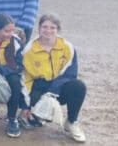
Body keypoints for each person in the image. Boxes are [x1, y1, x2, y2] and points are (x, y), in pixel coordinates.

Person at [19, 14, 87, 143]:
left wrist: (52, 93)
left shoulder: (67, 47)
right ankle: (37, 115)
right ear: (38, 28)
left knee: (78, 86)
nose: (48, 31)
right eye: (44, 27)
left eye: (52, 27)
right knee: (32, 100)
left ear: (58, 29)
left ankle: (71, 122)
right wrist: (25, 105)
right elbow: (25, 78)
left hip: (59, 88)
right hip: (39, 86)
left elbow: (69, 73)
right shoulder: (29, 50)